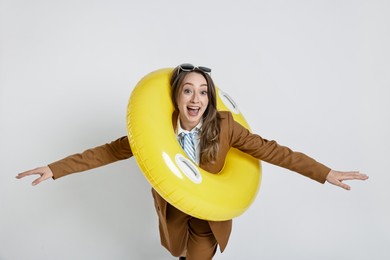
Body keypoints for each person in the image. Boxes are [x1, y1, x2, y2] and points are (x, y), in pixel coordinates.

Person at [16, 63, 368, 260]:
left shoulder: (227, 128)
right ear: (176, 96)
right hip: (172, 214)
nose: (195, 97)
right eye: (188, 90)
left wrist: (325, 173)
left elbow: (274, 151)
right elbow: (108, 151)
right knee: (178, 255)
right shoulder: (155, 133)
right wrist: (55, 168)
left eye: (202, 91)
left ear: (210, 98)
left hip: (208, 220)